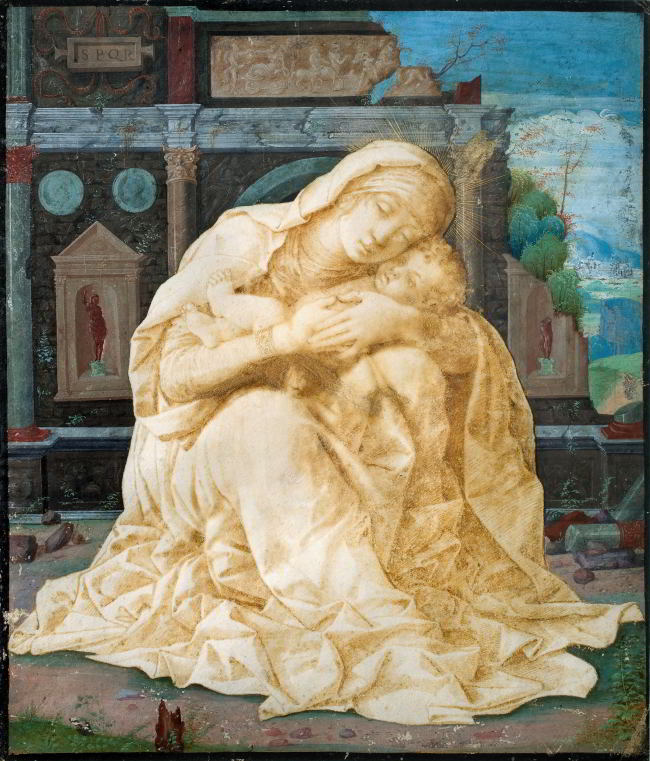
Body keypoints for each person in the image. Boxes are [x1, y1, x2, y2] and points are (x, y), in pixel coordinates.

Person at [10, 141, 642, 726]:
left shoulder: (392, 282)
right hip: (204, 448)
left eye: (408, 234)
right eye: (383, 209)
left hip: (345, 450)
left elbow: (472, 350)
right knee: (269, 417)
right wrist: (281, 341)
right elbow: (170, 380)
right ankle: (363, 610)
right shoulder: (243, 245)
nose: (384, 236)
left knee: (409, 373)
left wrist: (399, 324)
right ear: (344, 191)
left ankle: (371, 586)